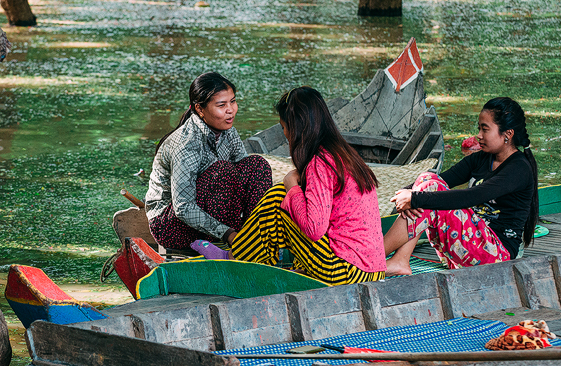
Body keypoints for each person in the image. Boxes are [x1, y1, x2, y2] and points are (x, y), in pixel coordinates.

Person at [228, 87, 386, 285]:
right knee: (292, 198)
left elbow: (313, 230)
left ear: (296, 129)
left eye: (284, 127)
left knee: (278, 197)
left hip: (345, 271)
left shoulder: (320, 162)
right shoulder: (342, 153)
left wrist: (291, 185)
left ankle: (238, 259)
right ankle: (248, 255)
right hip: (372, 270)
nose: (284, 133)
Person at [384, 97, 539, 276]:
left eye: (485, 129)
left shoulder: (518, 168)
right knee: (427, 178)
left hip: (497, 257)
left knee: (425, 192)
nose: (478, 135)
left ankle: (373, 260)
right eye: (479, 128)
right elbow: (443, 179)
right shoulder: (481, 158)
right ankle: (400, 260)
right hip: (464, 248)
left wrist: (415, 198)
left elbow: (472, 196)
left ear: (508, 134)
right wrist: (405, 193)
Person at [145, 72, 271, 250]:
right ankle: (236, 239)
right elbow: (183, 208)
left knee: (257, 166)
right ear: (200, 109)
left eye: (233, 102)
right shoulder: (185, 144)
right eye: (221, 105)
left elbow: (246, 178)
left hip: (213, 211)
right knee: (223, 171)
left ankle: (254, 237)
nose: (231, 110)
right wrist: (229, 234)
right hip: (172, 226)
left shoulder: (229, 132)